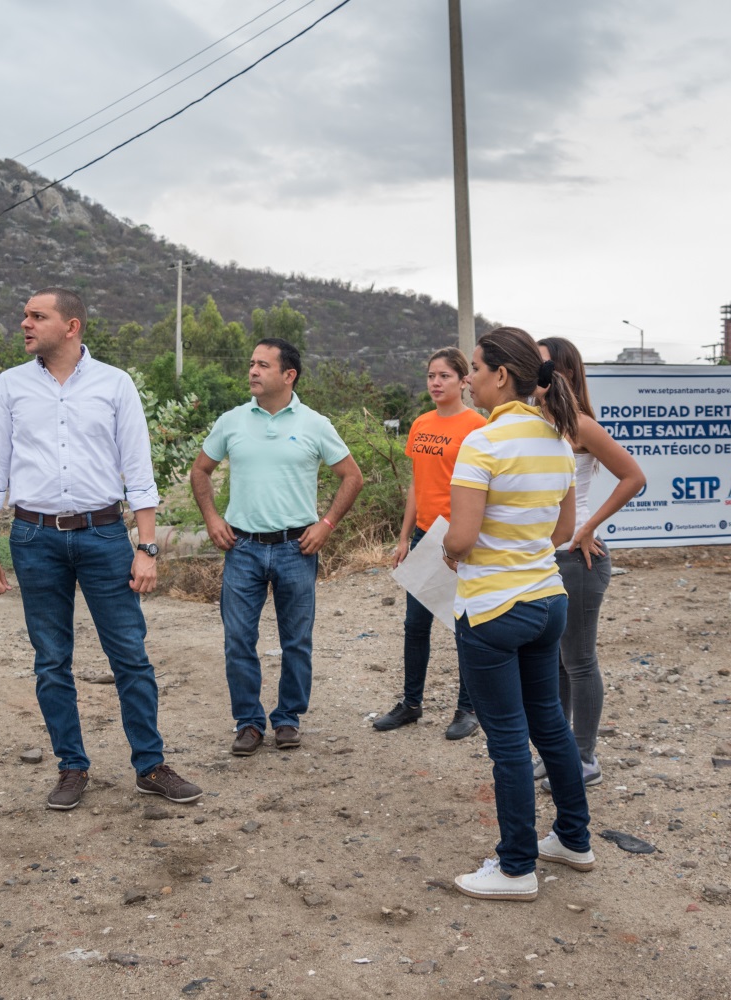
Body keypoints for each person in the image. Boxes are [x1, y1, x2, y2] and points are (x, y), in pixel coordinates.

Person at [0, 287, 201, 811]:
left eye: (37, 316)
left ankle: (151, 765)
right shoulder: (9, 387)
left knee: (130, 655)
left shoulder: (115, 384)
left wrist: (147, 548)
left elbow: (139, 474)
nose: (24, 323)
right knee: (51, 660)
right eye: (24, 314)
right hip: (33, 537)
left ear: (71, 326)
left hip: (103, 536)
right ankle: (72, 767)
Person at [443, 326, 593, 902]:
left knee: (507, 739)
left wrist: (453, 552)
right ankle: (573, 841)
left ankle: (514, 868)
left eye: (475, 369)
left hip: (492, 610)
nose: (469, 379)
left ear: (500, 376)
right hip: (547, 601)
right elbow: (560, 531)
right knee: (550, 725)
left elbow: (461, 534)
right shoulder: (558, 438)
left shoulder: (482, 443)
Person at [189, 338, 363, 756]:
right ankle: (248, 722)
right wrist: (213, 519)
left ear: (289, 375)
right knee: (238, 640)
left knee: (297, 640)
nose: (252, 371)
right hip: (243, 547)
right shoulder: (231, 420)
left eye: (262, 365)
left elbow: (352, 476)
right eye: (251, 363)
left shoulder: (315, 424)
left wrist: (327, 524)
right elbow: (200, 470)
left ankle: (288, 718)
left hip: (296, 548)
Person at [533, 337, 647, 790]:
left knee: (579, 662)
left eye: (539, 364)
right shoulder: (534, 423)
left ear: (558, 370)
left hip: (579, 560)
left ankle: (584, 758)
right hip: (544, 559)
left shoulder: (578, 425)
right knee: (556, 663)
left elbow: (633, 477)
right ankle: (560, 751)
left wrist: (588, 526)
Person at [374, 347, 486, 740]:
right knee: (415, 625)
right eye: (430, 376)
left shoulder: (477, 426)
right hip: (425, 535)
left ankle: (468, 708)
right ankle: (411, 704)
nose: (436, 383)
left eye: (445, 376)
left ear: (462, 380)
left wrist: (466, 540)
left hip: (459, 537)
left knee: (464, 627)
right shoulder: (421, 424)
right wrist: (404, 538)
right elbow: (417, 487)